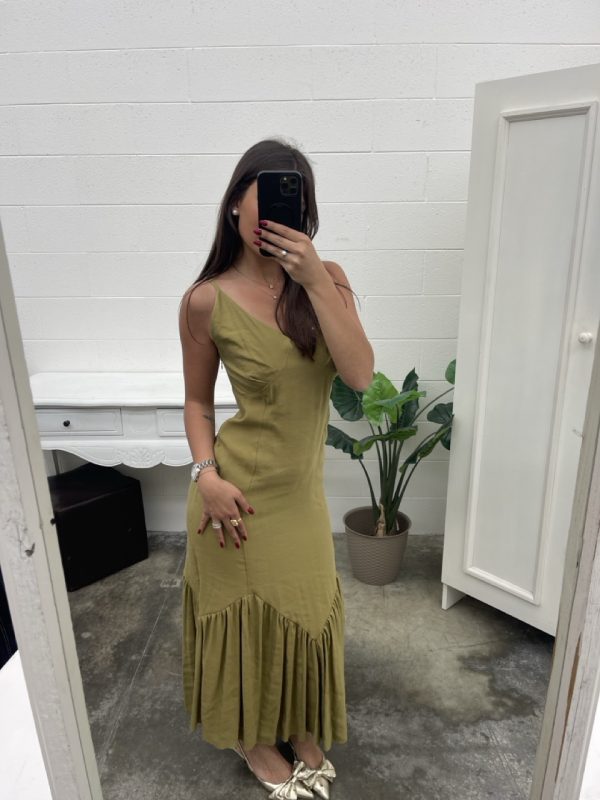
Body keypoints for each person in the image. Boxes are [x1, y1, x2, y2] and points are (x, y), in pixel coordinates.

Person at [178, 138, 374, 799]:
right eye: (264, 194)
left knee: (306, 609)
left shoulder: (328, 279)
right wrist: (206, 476)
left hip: (300, 497)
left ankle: (296, 721)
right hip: (233, 496)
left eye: (294, 197)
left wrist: (314, 278)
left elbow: (359, 375)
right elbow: (198, 402)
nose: (277, 211)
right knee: (247, 621)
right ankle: (254, 737)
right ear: (235, 203)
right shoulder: (206, 300)